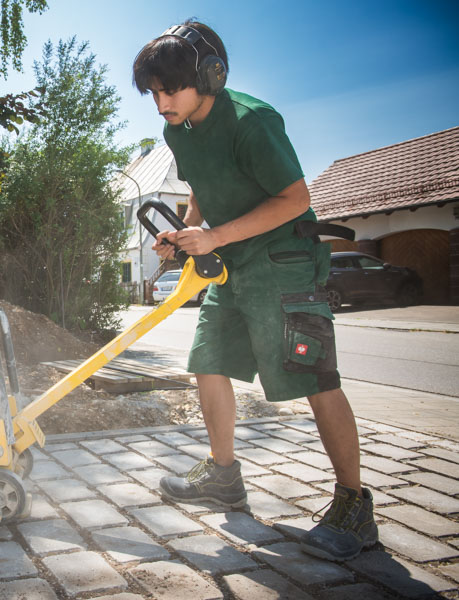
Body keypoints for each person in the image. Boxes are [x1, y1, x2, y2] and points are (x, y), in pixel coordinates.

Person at [132, 20, 377, 562]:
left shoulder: (253, 121)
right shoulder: (179, 130)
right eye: (153, 92)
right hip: (231, 265)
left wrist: (214, 235)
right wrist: (187, 234)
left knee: (315, 378)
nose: (160, 103)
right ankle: (224, 476)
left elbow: (293, 198)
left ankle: (355, 506)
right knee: (209, 361)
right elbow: (199, 184)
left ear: (209, 76)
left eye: (169, 89)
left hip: (284, 264)